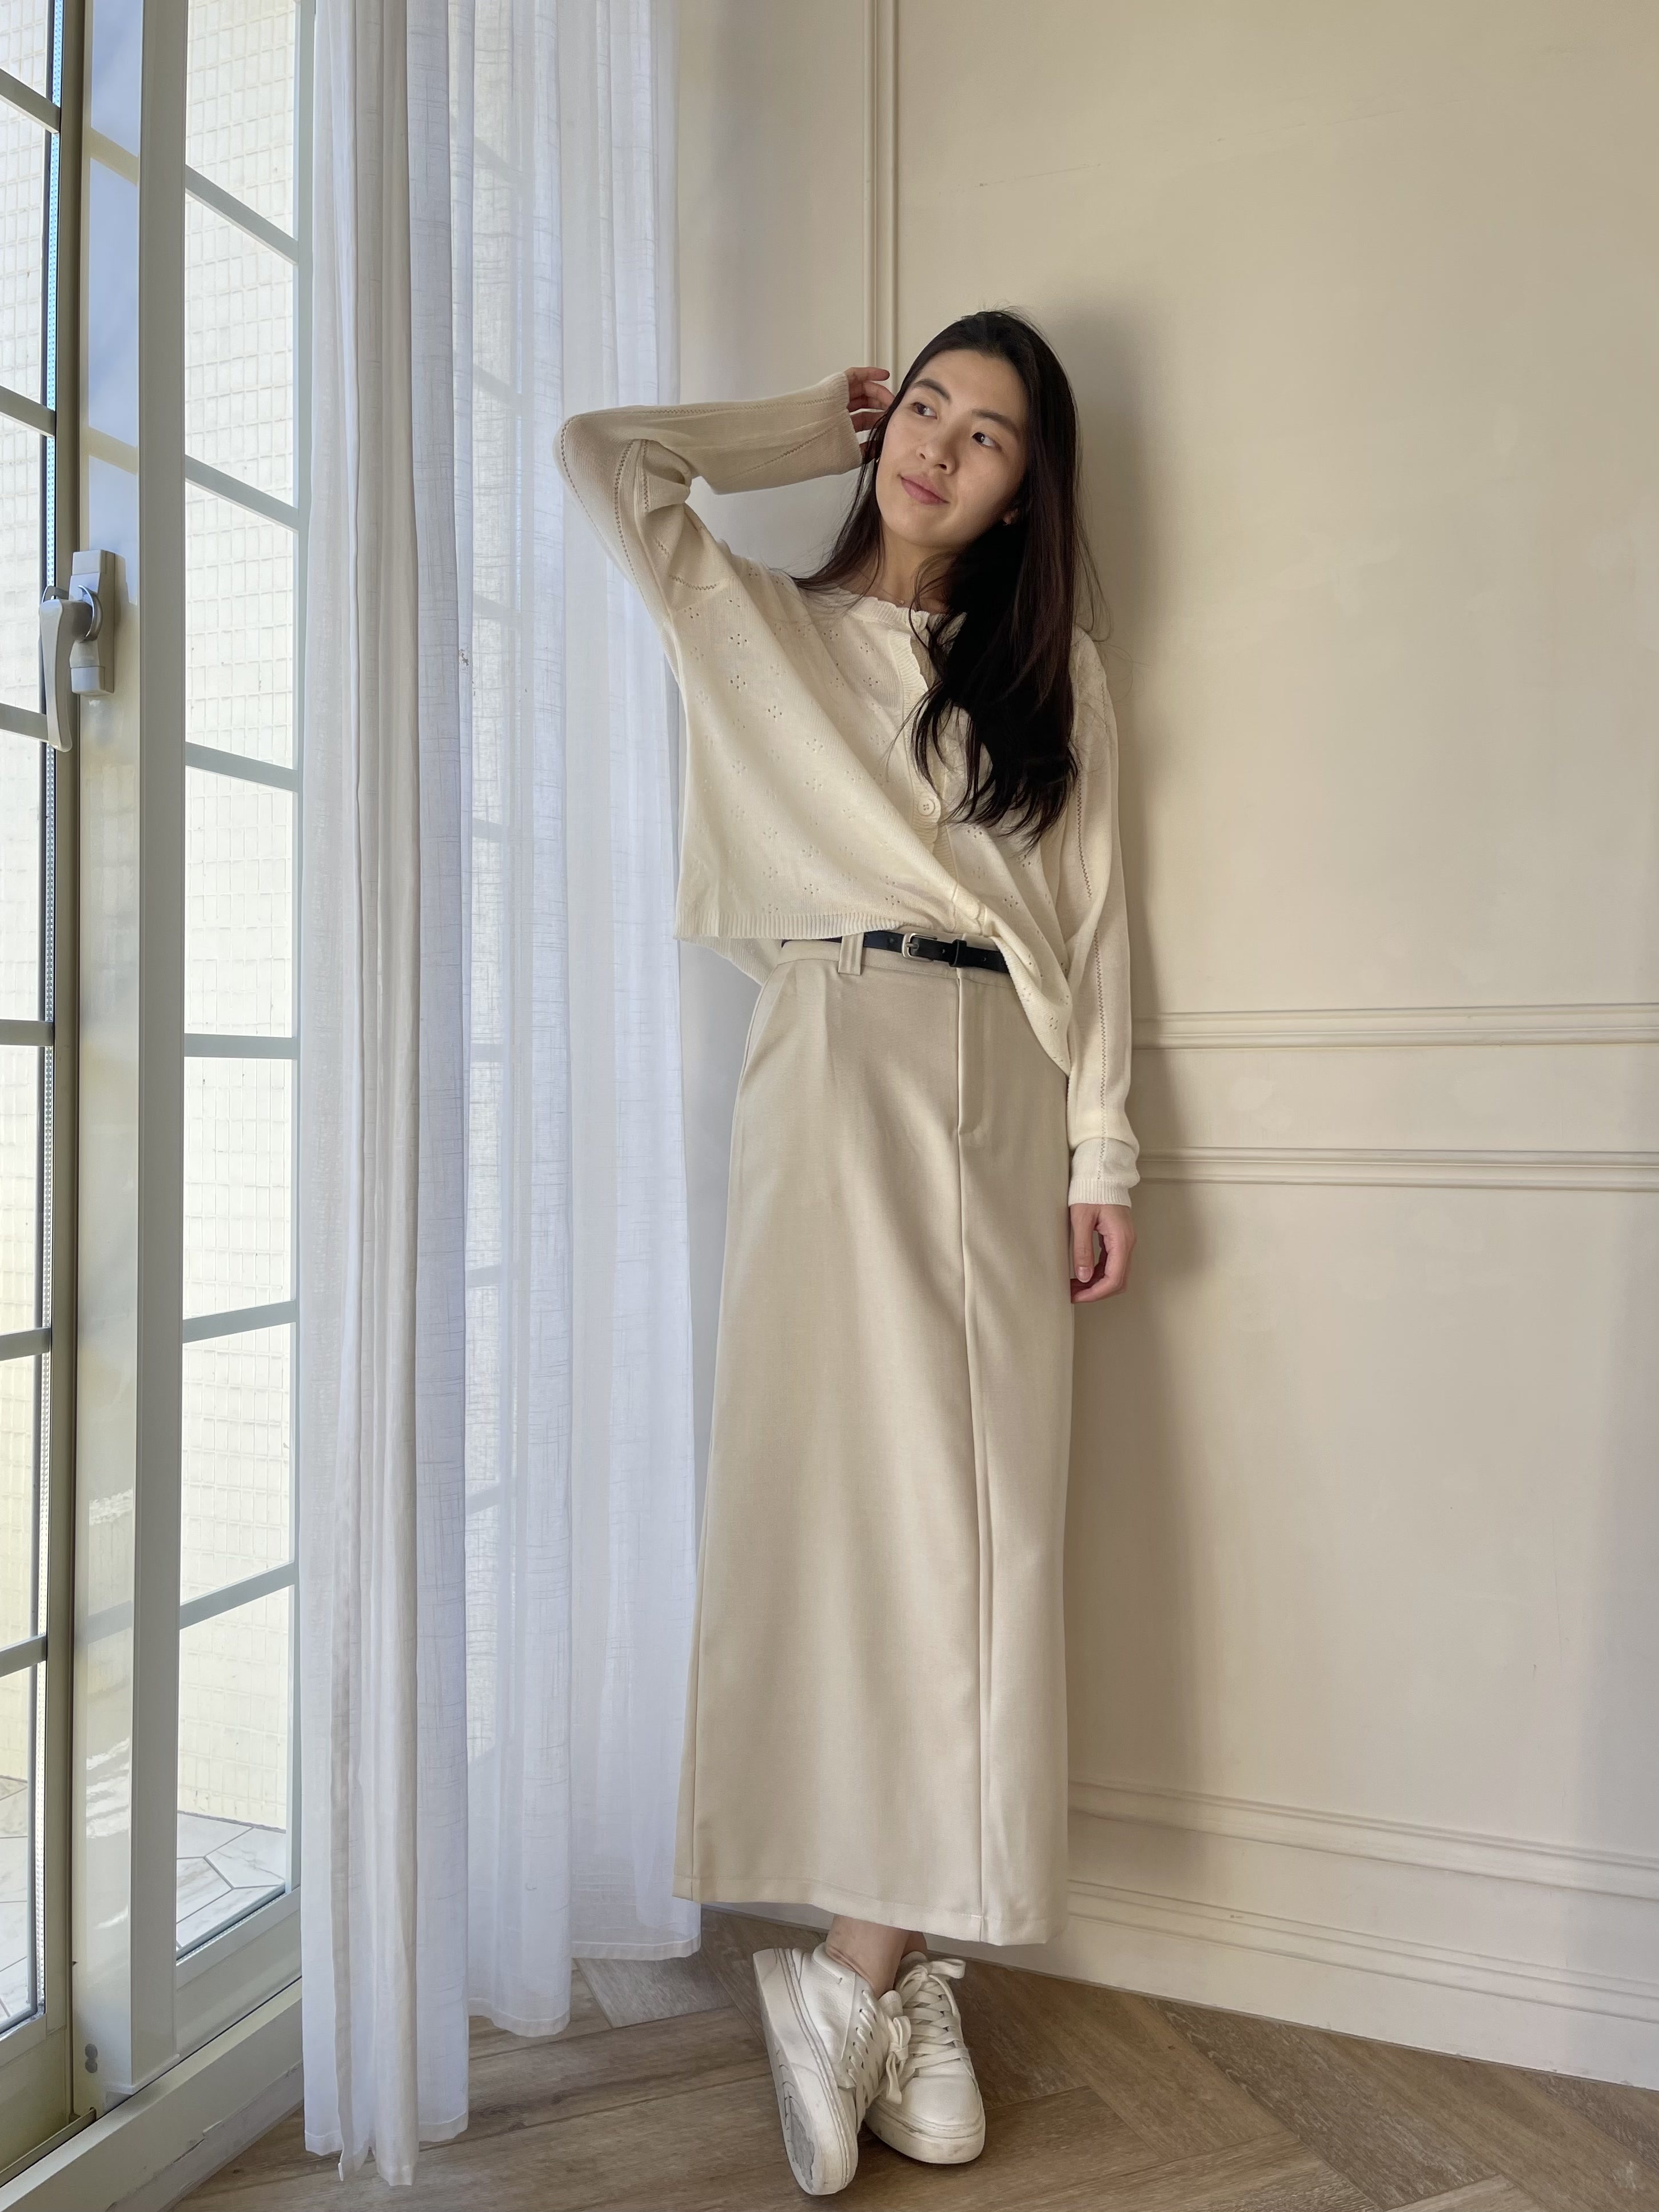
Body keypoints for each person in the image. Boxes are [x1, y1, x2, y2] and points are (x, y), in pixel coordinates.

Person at [555, 308, 1138, 2197]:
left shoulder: (1052, 683)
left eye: (989, 437)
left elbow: (1097, 923)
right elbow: (601, 457)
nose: (940, 450)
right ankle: (881, 1969)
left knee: (983, 1535)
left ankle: (860, 1976)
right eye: (928, 411)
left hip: (1004, 1077)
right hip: (827, 1056)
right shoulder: (761, 627)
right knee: (852, 1518)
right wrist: (808, 424)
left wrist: (1105, 1147)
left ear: (1026, 494)